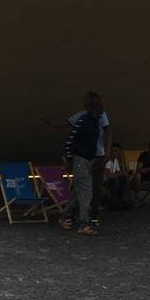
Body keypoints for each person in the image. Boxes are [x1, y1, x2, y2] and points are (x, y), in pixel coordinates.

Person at [60, 93, 104, 235]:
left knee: (78, 191)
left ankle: (65, 217)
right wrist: (69, 159)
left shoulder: (95, 121)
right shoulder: (83, 120)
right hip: (80, 159)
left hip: (89, 160)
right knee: (86, 191)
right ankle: (84, 224)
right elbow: (70, 140)